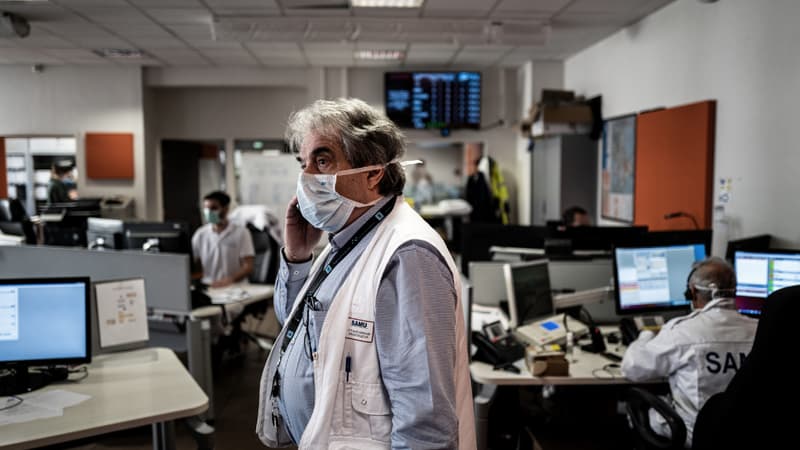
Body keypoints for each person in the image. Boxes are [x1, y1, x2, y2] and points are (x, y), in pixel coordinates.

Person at [256, 98, 475, 449]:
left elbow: (426, 419)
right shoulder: (346, 239)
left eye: (322, 160)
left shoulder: (407, 254)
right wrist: (297, 258)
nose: (306, 176)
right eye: (303, 162)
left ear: (373, 173)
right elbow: (295, 328)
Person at [621, 257, 757, 446]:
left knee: (637, 409)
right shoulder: (762, 331)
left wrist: (644, 336)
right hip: (746, 436)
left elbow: (632, 368)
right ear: (734, 290)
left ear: (693, 292)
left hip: (695, 438)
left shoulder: (683, 331)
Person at [191, 191, 255, 288]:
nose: (209, 212)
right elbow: (194, 263)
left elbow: (248, 266)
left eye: (213, 208)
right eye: (206, 208)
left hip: (236, 286)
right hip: (209, 286)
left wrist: (230, 280)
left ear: (225, 209)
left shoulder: (241, 232)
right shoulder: (200, 234)